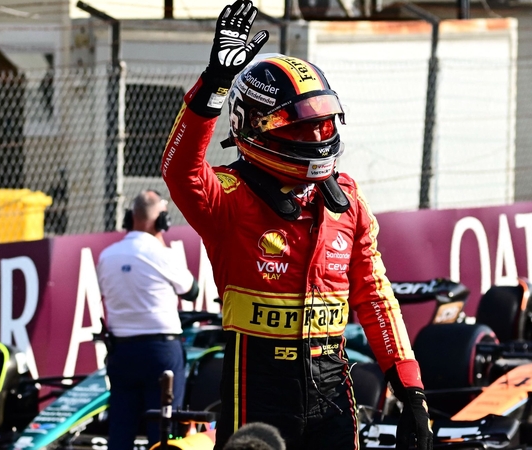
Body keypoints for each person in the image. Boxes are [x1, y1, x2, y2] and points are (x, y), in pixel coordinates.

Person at [160, 2, 433, 450]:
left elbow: (375, 296)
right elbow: (179, 171)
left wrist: (410, 389)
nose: (318, 137)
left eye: (323, 124)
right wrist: (215, 83)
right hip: (257, 385)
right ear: (254, 127)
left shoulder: (348, 199)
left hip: (332, 383)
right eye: (303, 127)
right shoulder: (228, 198)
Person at [96, 189, 200, 450]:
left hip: (122, 352)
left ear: (131, 217)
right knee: (163, 431)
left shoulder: (107, 256)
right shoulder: (162, 255)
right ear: (162, 221)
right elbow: (192, 291)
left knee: (121, 428)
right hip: (160, 353)